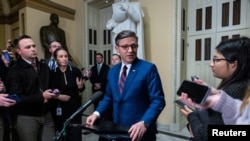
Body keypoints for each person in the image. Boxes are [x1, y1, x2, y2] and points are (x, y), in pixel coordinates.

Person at [86, 30, 166, 141]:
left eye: (133, 46)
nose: (130, 50)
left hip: (139, 133)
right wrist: (96, 113)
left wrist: (144, 122)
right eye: (125, 47)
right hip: (117, 130)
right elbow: (108, 97)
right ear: (117, 48)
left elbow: (158, 100)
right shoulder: (113, 71)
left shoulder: (148, 69)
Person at [179, 37, 250, 141]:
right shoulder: (244, 84)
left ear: (234, 64)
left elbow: (204, 134)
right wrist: (214, 95)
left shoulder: (234, 90)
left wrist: (191, 115)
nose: (211, 64)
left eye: (216, 60)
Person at [5, 35, 57, 141]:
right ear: (19, 51)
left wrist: (54, 91)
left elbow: (48, 86)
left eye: (34, 46)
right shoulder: (15, 70)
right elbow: (15, 97)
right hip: (26, 117)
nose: (33, 49)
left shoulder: (44, 67)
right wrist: (41, 96)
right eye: (28, 47)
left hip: (46, 115)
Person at [49, 48, 85, 141]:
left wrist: (80, 87)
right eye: (61, 56)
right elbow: (50, 90)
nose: (64, 58)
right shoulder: (52, 73)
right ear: (56, 59)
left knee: (76, 133)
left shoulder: (75, 71)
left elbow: (82, 88)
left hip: (74, 107)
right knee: (62, 133)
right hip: (59, 107)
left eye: (66, 56)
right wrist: (58, 96)